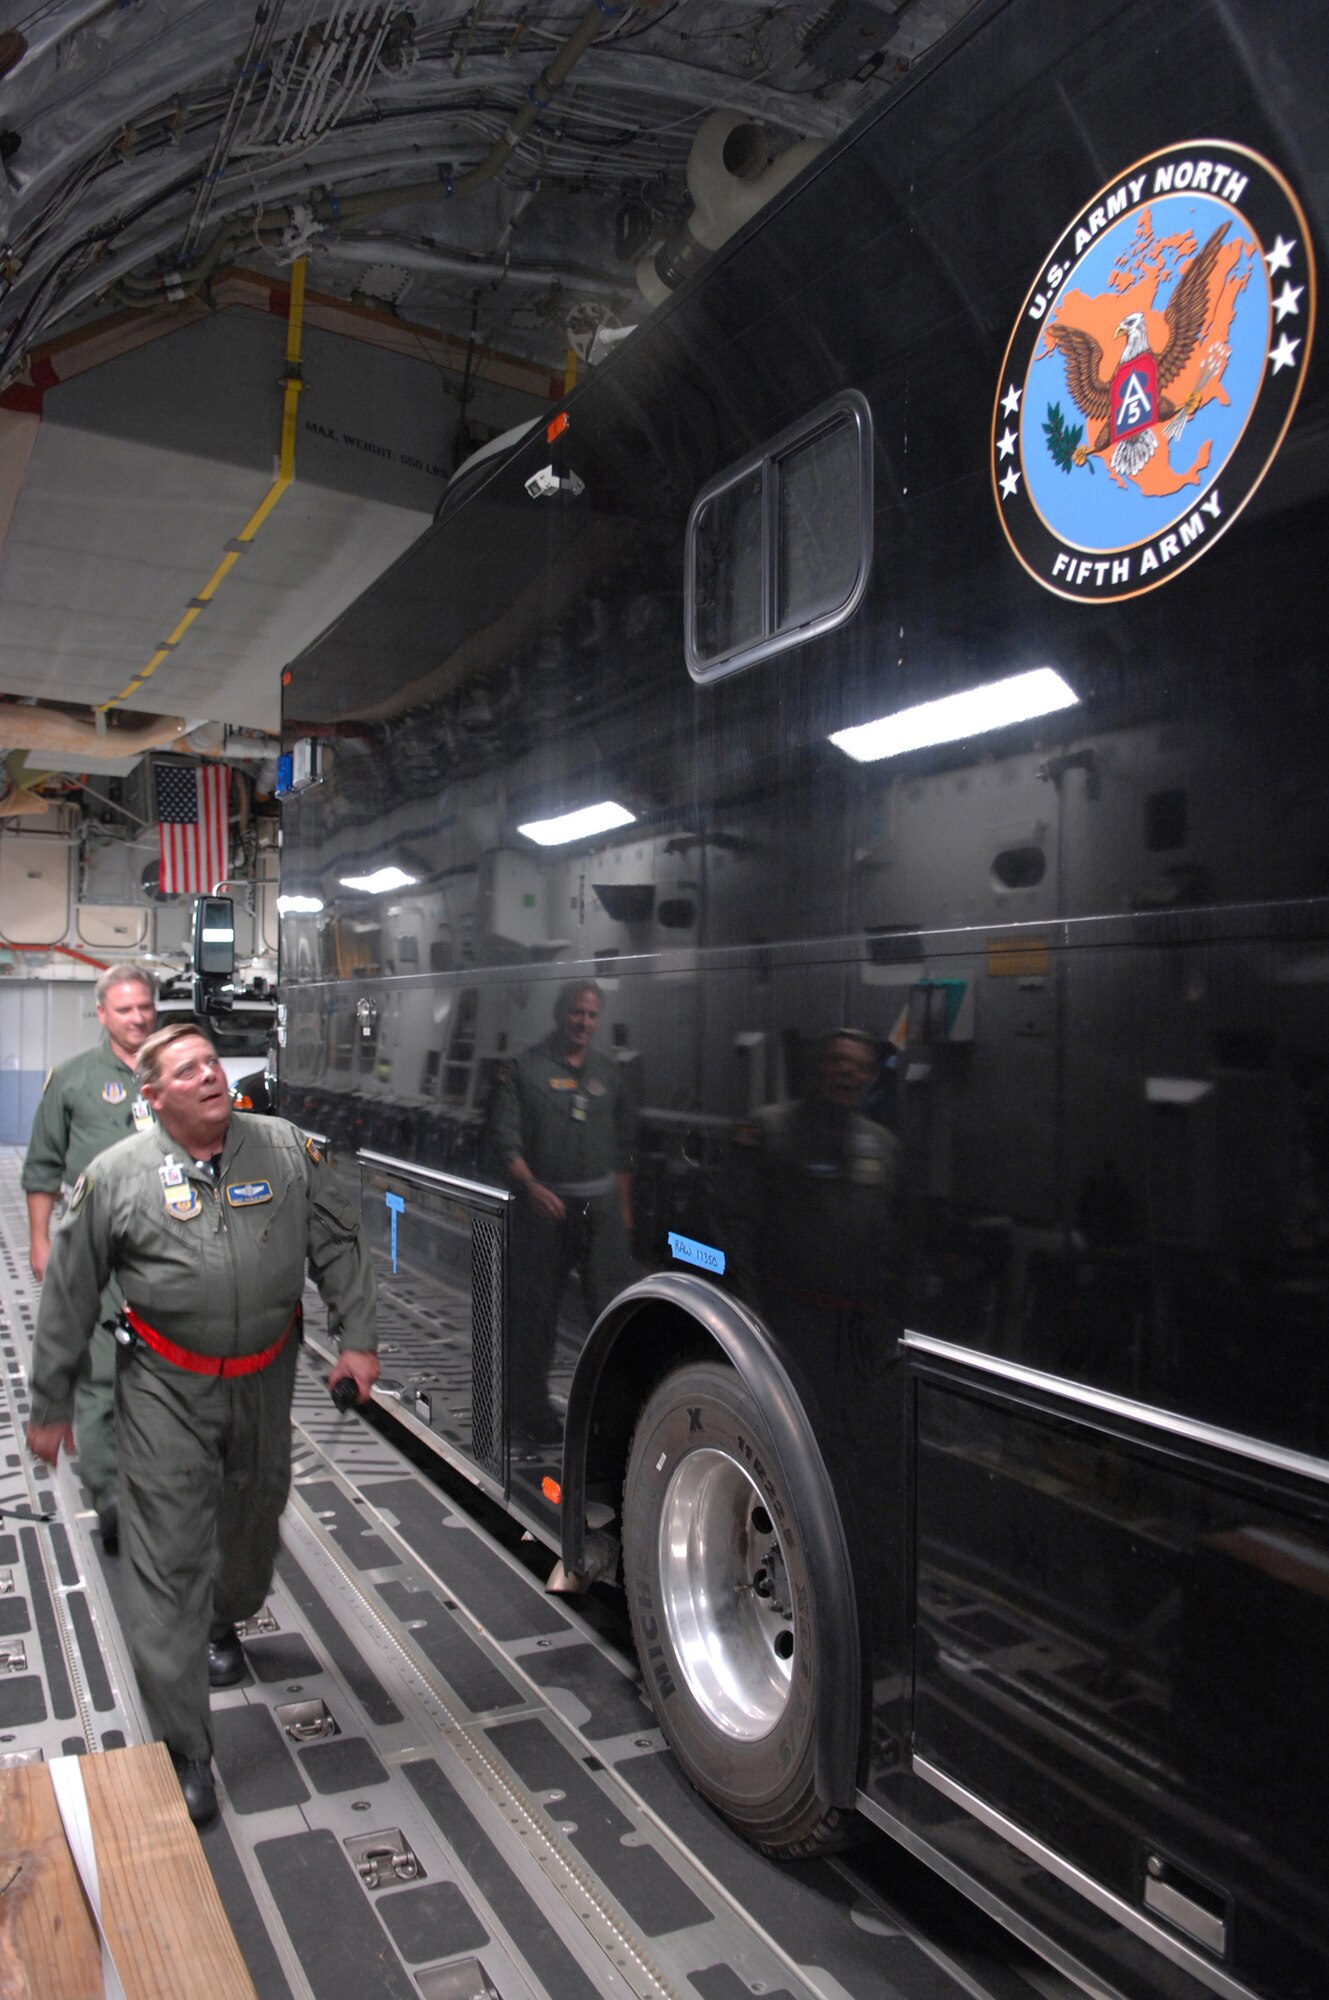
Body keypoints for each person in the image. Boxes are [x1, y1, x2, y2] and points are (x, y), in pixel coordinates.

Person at [25, 1023, 379, 1828]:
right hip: (164, 1388)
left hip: (265, 1378)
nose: (210, 1077)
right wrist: (51, 1403)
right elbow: (70, 1295)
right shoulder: (116, 1178)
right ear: (153, 1099)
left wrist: (356, 1337)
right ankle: (186, 1747)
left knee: (252, 1532)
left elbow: (338, 1241)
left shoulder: (285, 1149)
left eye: (212, 1063)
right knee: (168, 1563)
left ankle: (228, 1615)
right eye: (186, 1071)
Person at [21, 961, 159, 1550]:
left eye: (145, 1007)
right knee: (101, 1372)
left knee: (168, 1371)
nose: (137, 1018)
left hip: (168, 1247)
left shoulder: (174, 1073)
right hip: (97, 1247)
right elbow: (43, 1167)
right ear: (101, 1014)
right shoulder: (74, 1080)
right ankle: (109, 1495)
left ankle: (166, 1487)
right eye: (124, 1009)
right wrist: (40, 1239)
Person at [487, 980, 635, 1441]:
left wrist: (624, 1213)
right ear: (559, 1014)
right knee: (536, 1315)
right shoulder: (524, 1070)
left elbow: (626, 1148)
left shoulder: (609, 1075)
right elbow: (504, 1138)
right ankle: (529, 1413)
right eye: (576, 1013)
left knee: (612, 1314)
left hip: (601, 1211)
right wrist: (530, 1186)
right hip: (545, 1211)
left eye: (591, 1015)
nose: (583, 1023)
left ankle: (612, 1414)